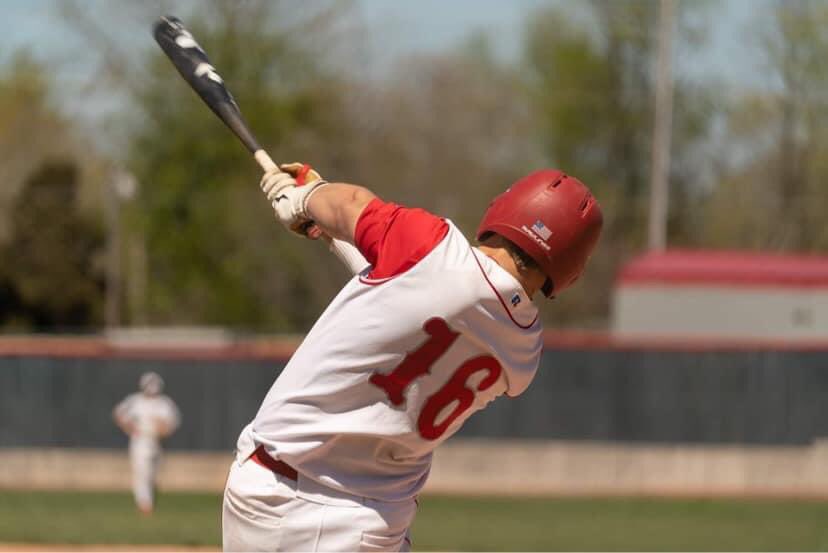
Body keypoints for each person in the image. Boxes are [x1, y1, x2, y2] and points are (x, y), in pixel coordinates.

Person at [222, 163, 603, 551]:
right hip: (378, 520)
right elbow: (414, 296)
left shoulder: (431, 246)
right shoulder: (524, 350)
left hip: (283, 496)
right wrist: (326, 226)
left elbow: (352, 204)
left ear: (506, 207)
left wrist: (307, 197)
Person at [113, 371, 181, 514]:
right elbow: (118, 414)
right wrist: (128, 426)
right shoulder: (134, 401)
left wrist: (163, 430)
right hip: (140, 440)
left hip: (156, 442)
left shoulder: (164, 403)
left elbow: (171, 423)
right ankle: (144, 503)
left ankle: (147, 499)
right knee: (141, 472)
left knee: (152, 474)